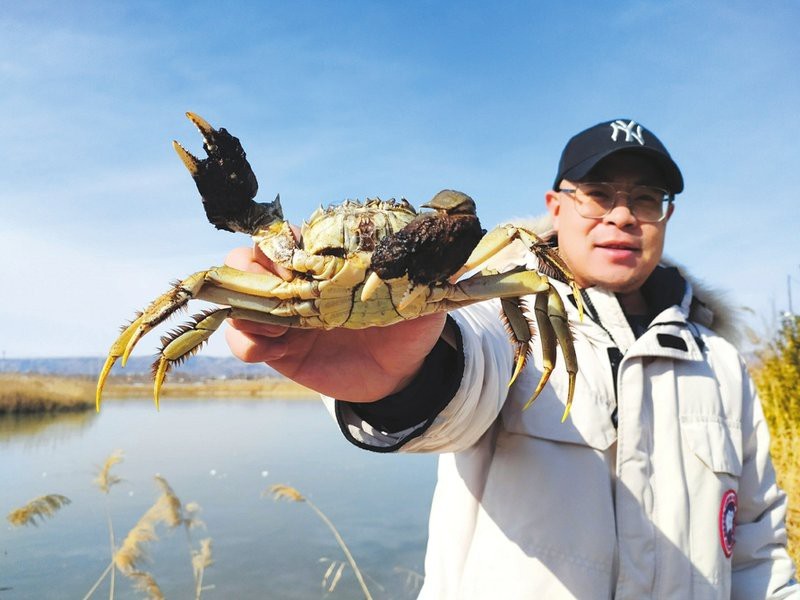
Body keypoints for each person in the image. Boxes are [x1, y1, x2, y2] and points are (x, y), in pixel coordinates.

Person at [224, 119, 799, 599]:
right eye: (599, 194)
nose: (622, 216)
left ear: (665, 216)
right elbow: (468, 367)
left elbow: (757, 545)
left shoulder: (720, 363)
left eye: (645, 198)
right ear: (555, 205)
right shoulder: (500, 306)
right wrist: (401, 379)